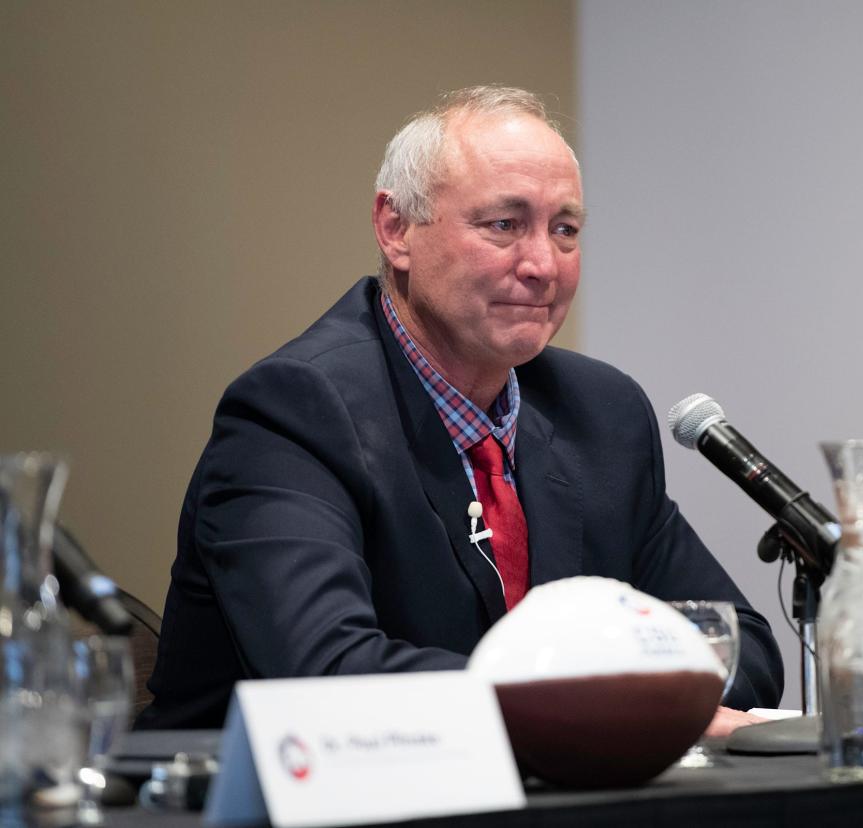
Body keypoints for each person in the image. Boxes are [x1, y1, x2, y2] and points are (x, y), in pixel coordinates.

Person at [138, 86, 782, 732]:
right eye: (504, 225)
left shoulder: (603, 415)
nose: (541, 266)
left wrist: (615, 697)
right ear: (396, 230)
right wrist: (606, 705)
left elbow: (744, 649)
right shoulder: (295, 413)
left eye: (564, 230)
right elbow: (329, 674)